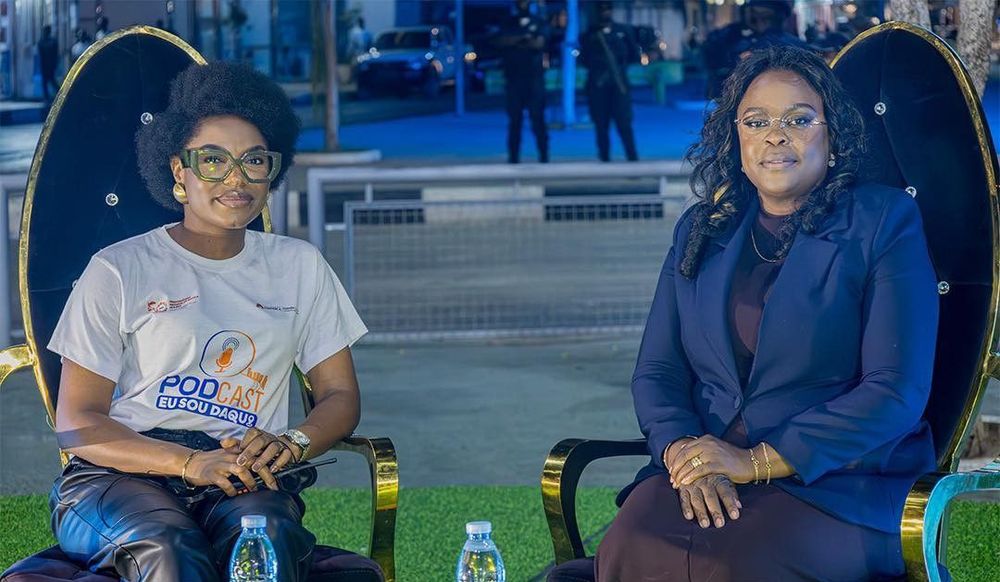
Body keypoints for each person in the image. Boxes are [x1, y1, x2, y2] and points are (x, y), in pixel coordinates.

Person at [594, 46, 938, 580]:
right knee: (630, 539)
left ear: (832, 136)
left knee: (732, 562)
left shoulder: (881, 222)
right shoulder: (702, 229)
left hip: (835, 483)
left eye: (798, 120)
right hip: (706, 472)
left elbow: (894, 392)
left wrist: (754, 461)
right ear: (737, 139)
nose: (775, 136)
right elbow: (658, 371)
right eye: (756, 122)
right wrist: (685, 454)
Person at [47, 62, 369, 581]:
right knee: (168, 546)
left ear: (271, 172)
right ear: (180, 171)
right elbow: (79, 422)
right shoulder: (119, 268)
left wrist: (294, 441)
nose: (236, 178)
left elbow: (340, 396)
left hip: (242, 472)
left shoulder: (299, 266)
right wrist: (190, 463)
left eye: (254, 160)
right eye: (213, 160)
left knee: (264, 537)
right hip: (122, 473)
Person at [702, 0, 808, 100]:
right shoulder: (733, 38)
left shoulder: (788, 43)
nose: (758, 19)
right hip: (735, 99)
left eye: (764, 15)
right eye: (754, 14)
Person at [579, 1, 640, 162]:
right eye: (601, 9)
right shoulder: (589, 35)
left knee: (624, 123)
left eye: (607, 8)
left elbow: (634, 55)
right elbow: (584, 60)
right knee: (601, 124)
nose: (605, 12)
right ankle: (604, 159)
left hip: (619, 84)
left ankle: (632, 159)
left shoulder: (623, 31)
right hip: (598, 85)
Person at [494, 0, 549, 164]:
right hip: (514, 79)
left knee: (537, 119)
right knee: (514, 121)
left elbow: (539, 43)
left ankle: (544, 156)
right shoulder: (508, 22)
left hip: (534, 79)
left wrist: (517, 42)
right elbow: (501, 41)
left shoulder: (538, 22)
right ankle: (514, 157)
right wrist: (522, 39)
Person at [37, 25, 59, 102]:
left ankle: (49, 97)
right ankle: (49, 97)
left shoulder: (43, 42)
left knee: (49, 81)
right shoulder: (51, 42)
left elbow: (54, 54)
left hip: (47, 65)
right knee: (48, 81)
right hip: (48, 65)